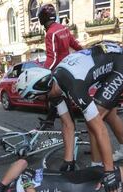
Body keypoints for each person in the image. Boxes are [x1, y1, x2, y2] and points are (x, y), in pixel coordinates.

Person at [16, 41, 123, 192]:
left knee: (94, 120)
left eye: (36, 97)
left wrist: (109, 172)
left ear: (41, 91)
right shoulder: (53, 88)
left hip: (120, 66)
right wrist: (68, 161)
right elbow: (67, 124)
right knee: (109, 114)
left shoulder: (74, 86)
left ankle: (98, 166)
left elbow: (99, 128)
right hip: (107, 60)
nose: (37, 100)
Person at [37, 4, 83, 166]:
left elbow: (53, 57)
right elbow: (76, 46)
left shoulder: (50, 33)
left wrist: (43, 74)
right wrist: (85, 54)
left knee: (56, 99)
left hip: (59, 73)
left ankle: (69, 140)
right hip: (69, 71)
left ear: (42, 18)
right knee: (65, 106)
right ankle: (54, 122)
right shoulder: (63, 28)